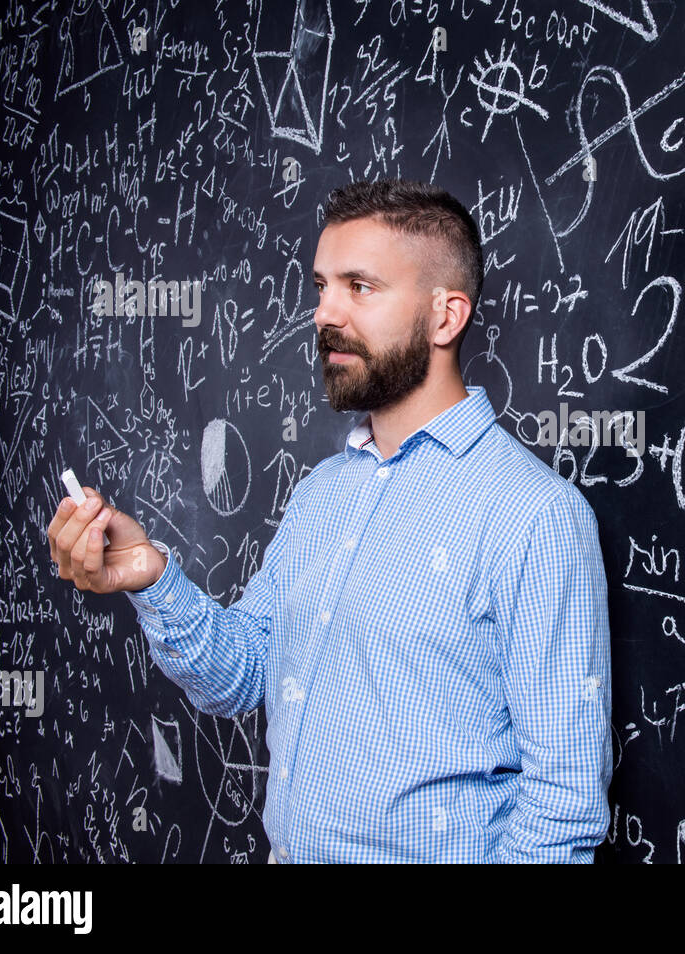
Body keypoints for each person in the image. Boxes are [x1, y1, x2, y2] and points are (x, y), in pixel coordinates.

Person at [47, 179, 613, 863]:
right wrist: (151, 577)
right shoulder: (323, 494)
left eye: (360, 287)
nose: (324, 313)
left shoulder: (535, 517)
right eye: (321, 286)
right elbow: (244, 673)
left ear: (445, 316)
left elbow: (563, 803)